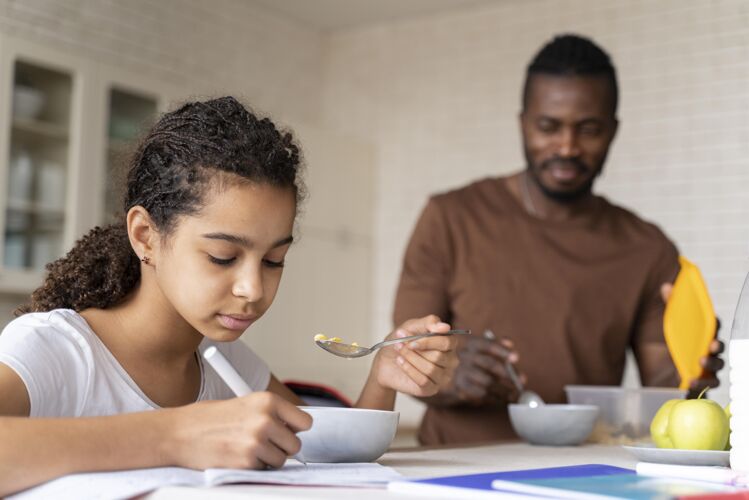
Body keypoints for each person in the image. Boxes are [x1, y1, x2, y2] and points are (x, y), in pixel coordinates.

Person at [0, 97, 460, 495]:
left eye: (274, 260)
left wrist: (385, 376)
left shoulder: (228, 364)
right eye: (223, 256)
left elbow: (325, 457)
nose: (254, 289)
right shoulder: (57, 350)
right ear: (145, 236)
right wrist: (176, 435)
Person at [392, 34, 724, 446]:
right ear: (523, 123)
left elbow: (669, 387)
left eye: (588, 129)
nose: (567, 147)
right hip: (451, 465)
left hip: (582, 472)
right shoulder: (451, 217)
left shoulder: (647, 247)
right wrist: (449, 374)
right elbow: (403, 355)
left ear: (613, 131)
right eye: (549, 127)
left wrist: (695, 372)